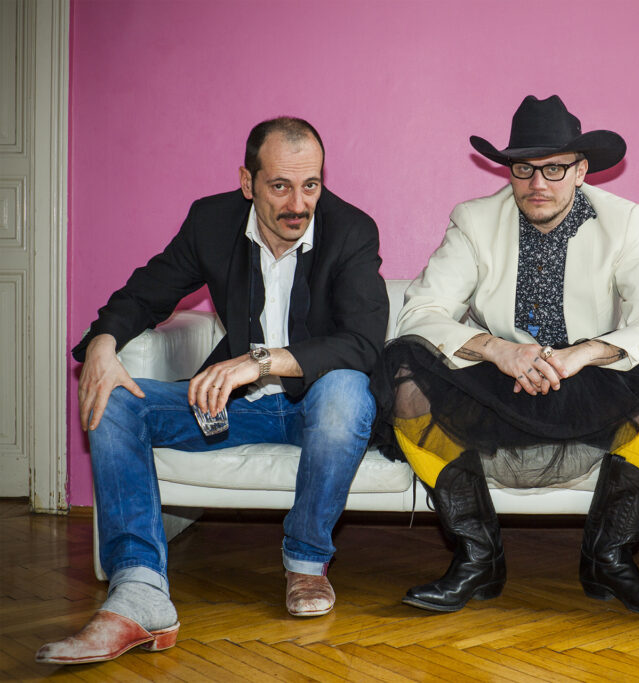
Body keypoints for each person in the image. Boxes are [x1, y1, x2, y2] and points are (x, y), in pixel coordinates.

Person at [36, 117, 388, 665]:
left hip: (317, 409)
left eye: (311, 185)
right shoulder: (212, 221)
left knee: (346, 390)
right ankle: (140, 591)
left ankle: (305, 561)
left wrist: (260, 361)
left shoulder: (351, 230)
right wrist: (103, 345)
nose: (298, 204)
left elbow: (363, 344)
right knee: (118, 400)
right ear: (247, 182)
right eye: (280, 186)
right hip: (236, 408)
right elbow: (146, 292)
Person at [380, 95, 639, 615]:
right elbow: (420, 313)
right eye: (523, 168)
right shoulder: (474, 220)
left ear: (580, 171)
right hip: (497, 381)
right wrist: (497, 350)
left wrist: (586, 353)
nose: (537, 183)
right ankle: (478, 558)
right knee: (405, 365)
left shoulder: (624, 220)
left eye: (554, 169)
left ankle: (609, 559)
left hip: (589, 382)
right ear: (508, 171)